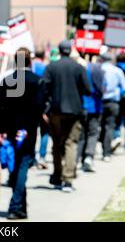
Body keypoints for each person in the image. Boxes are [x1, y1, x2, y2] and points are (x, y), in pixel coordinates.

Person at [0, 48, 44, 219]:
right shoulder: (37, 81)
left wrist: (0, 130)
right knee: (22, 165)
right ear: (29, 61)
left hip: (9, 130)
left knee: (15, 167)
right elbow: (39, 109)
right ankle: (16, 207)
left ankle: (21, 207)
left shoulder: (6, 80)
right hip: (27, 131)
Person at [42, 40, 91, 192]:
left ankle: (57, 176)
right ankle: (68, 179)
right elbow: (87, 89)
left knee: (57, 143)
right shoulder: (78, 67)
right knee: (71, 143)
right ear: (70, 51)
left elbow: (44, 87)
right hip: (74, 112)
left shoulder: (51, 67)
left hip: (55, 111)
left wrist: (45, 108)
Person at [99, 52, 125, 161]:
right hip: (113, 102)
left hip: (100, 101)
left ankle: (100, 149)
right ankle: (106, 153)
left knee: (99, 126)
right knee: (109, 127)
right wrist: (116, 92)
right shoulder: (117, 71)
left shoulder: (98, 69)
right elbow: (124, 87)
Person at [77, 60, 105, 172]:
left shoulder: (81, 68)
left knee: (82, 133)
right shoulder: (97, 69)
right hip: (94, 105)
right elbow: (101, 88)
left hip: (83, 105)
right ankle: (88, 157)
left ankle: (78, 158)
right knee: (92, 132)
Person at [32, 48, 49, 169]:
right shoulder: (45, 68)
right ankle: (42, 157)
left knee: (32, 132)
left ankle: (31, 157)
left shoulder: (30, 67)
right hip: (42, 105)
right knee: (44, 132)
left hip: (30, 105)